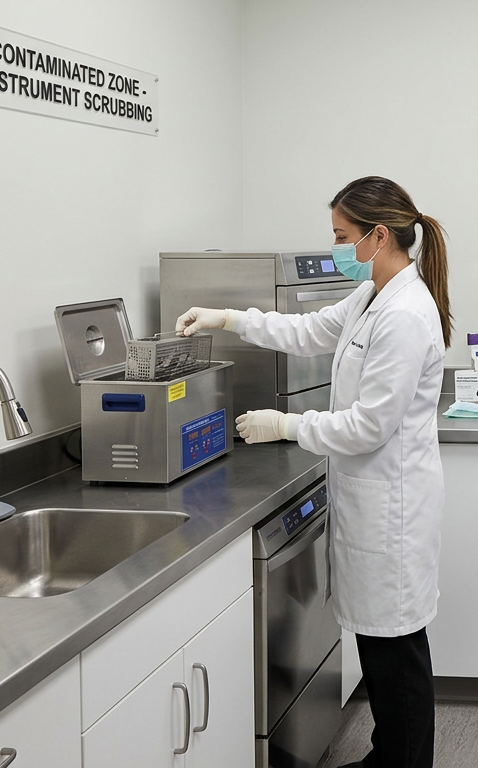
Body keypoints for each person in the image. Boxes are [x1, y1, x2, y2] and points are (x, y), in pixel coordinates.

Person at [177, 176, 450, 768]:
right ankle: (390, 758)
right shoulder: (372, 296)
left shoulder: (404, 313)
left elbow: (367, 426)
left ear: (379, 236)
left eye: (342, 236)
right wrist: (229, 318)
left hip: (393, 513)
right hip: (371, 503)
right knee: (384, 655)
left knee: (398, 657)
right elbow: (305, 330)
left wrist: (287, 425)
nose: (336, 249)